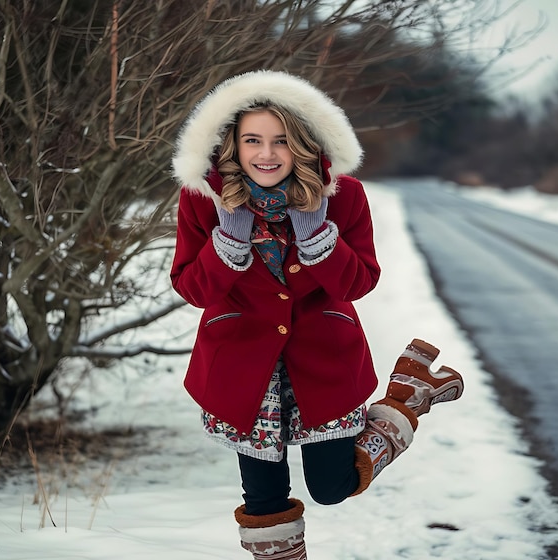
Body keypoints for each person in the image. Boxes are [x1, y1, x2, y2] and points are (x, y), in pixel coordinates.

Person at [170, 70, 464, 559]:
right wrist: (227, 240)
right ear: (231, 145)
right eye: (252, 140)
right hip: (243, 370)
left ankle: (407, 400)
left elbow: (360, 282)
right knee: (262, 496)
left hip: (324, 362)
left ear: (303, 144)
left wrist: (316, 238)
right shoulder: (203, 199)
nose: (266, 154)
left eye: (281, 141)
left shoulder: (342, 195)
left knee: (330, 486)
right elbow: (192, 288)